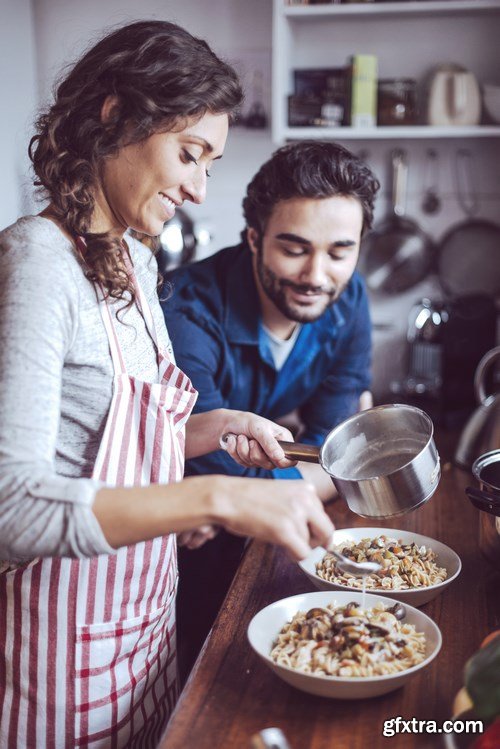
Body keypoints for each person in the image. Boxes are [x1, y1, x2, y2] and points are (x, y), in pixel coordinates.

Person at [0, 21, 334, 748]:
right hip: (66, 658)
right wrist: (213, 491)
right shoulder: (37, 264)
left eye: (208, 163)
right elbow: (12, 506)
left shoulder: (136, 263)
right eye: (190, 155)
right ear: (115, 114)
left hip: (147, 631)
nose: (197, 186)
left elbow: (95, 439)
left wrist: (204, 432)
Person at [163, 140, 380, 675]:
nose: (316, 275)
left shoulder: (347, 300)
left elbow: (338, 444)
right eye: (294, 247)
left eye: (339, 251)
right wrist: (222, 500)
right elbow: (203, 457)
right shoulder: (187, 309)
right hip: (175, 535)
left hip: (231, 520)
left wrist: (238, 503)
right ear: (255, 238)